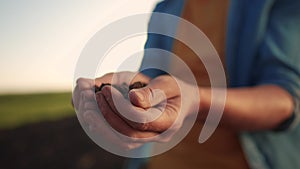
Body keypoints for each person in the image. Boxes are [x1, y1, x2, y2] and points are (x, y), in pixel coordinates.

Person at [73, 0, 300, 168]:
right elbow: (151, 77)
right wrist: (127, 88)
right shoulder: (166, 9)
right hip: (161, 161)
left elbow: (285, 100)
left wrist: (196, 101)